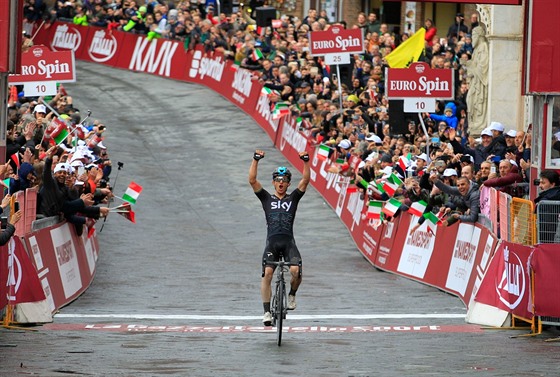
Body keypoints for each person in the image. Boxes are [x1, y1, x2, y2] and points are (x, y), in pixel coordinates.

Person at [249, 149, 310, 326]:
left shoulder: (293, 199)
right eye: (277, 180)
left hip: (288, 242)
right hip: (272, 244)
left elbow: (305, 180)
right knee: (268, 273)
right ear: (273, 183)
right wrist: (256, 160)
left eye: (284, 180)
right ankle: (267, 312)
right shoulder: (266, 198)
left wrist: (305, 161)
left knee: (296, 271)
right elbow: (252, 180)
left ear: (288, 183)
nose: (281, 183)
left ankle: (291, 294)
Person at [465, 25, 489, 136]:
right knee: (470, 100)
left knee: (475, 101)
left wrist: (471, 66)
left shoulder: (484, 47)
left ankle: (479, 123)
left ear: (479, 36)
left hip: (480, 83)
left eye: (474, 35)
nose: (472, 39)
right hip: (475, 82)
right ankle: (475, 123)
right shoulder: (476, 50)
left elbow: (483, 68)